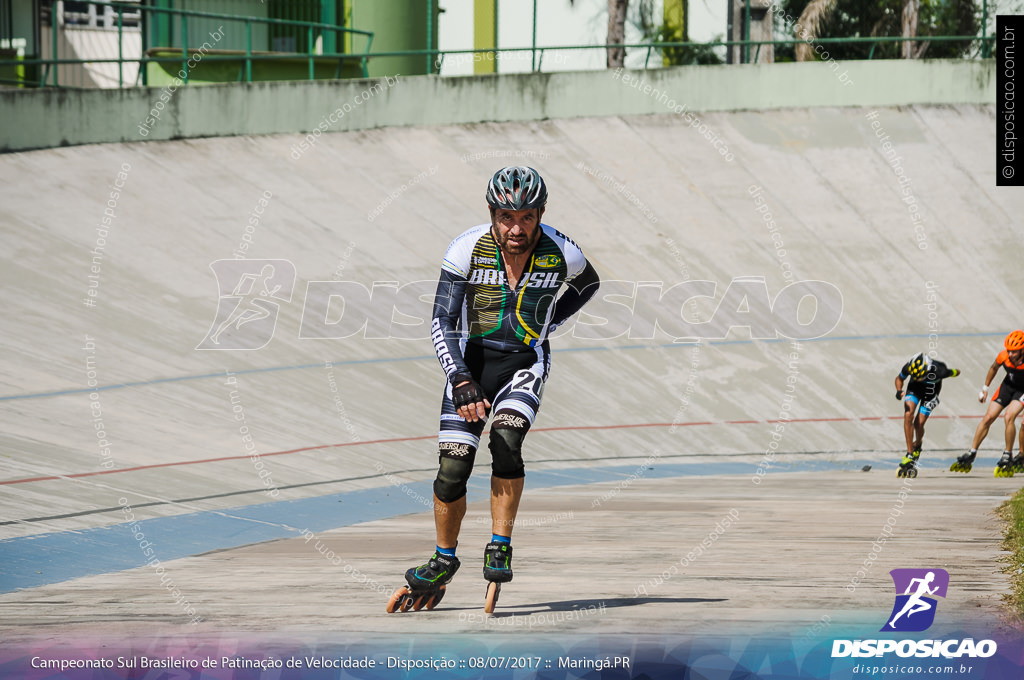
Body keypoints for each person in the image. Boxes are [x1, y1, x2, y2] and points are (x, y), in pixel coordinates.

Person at [386, 166, 601, 613]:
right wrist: (461, 379)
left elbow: (589, 284)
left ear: (541, 213)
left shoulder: (562, 252)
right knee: (453, 468)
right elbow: (441, 322)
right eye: (506, 216)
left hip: (525, 363)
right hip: (473, 364)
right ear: (492, 213)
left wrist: (550, 322)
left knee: (506, 439)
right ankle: (444, 559)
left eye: (526, 216)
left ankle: (499, 545)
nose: (516, 227)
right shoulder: (466, 248)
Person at [951, 330, 1024, 475]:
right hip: (1008, 386)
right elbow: (993, 368)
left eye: (1014, 352)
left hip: (1022, 390)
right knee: (988, 417)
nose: (1010, 354)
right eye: (1009, 351)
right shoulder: (1003, 356)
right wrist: (985, 388)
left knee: (1009, 416)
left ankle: (1007, 454)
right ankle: (972, 452)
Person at [894, 352, 960, 477]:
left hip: (931, 393)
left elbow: (954, 372)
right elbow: (899, 379)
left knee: (919, 424)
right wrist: (898, 391)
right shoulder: (909, 366)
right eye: (915, 376)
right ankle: (909, 453)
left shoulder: (940, 370)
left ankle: (918, 444)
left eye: (921, 376)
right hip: (914, 389)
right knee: (908, 414)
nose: (918, 378)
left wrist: (956, 372)